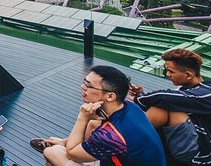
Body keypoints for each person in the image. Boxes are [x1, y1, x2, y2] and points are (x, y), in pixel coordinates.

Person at [35, 65, 166, 166]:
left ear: (110, 96)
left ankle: (65, 146)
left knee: (52, 152)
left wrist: (82, 118)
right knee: (93, 124)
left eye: (88, 86)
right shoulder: (129, 106)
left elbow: (72, 154)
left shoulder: (111, 137)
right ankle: (65, 143)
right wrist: (66, 141)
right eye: (84, 82)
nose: (82, 87)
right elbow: (97, 124)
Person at [130, 49, 211, 165]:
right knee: (166, 104)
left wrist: (138, 99)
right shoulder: (185, 90)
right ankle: (127, 139)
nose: (167, 74)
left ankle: (125, 139)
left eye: (170, 71)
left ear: (188, 75)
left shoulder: (209, 93)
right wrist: (141, 95)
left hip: (200, 153)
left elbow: (163, 97)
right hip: (185, 142)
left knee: (165, 106)